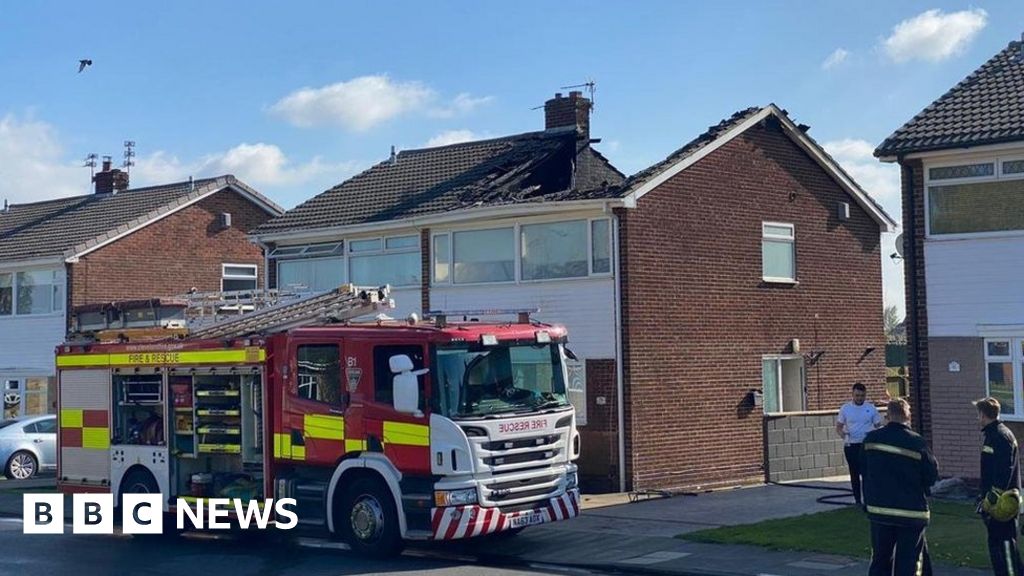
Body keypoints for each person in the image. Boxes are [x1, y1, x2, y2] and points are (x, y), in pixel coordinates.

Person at [863, 397, 939, 576]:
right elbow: (931, 476)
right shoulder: (916, 442)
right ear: (908, 416)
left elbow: (863, 469)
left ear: (887, 415)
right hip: (910, 512)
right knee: (909, 563)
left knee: (880, 561)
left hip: (879, 510)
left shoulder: (871, 439)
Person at [975, 397, 1023, 576]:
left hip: (1002, 504)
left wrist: (991, 499)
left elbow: (1004, 471)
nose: (977, 418)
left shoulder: (999, 436)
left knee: (1005, 548)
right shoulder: (994, 434)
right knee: (998, 548)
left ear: (982, 414)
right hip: (997, 504)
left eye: (978, 414)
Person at [835, 382, 882, 506]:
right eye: (857, 395)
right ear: (852, 394)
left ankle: (868, 499)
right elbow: (839, 427)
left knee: (867, 472)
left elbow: (878, 426)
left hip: (866, 445)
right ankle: (857, 500)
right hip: (851, 445)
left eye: (862, 396)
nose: (859, 398)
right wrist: (844, 435)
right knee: (854, 472)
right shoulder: (845, 408)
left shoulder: (871, 408)